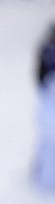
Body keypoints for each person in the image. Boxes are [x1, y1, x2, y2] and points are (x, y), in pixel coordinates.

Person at [37, 23, 55, 189]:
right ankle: (44, 176)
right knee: (48, 143)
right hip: (48, 101)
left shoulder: (45, 50)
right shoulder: (46, 50)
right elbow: (40, 78)